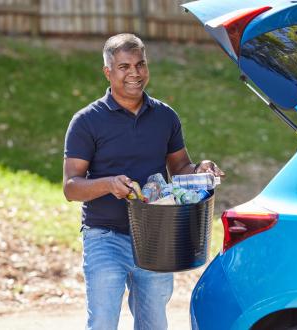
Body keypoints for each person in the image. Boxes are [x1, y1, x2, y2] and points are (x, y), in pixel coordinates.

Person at [62, 33, 224, 330]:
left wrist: (201, 169)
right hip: (104, 237)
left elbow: (180, 168)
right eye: (124, 67)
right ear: (107, 72)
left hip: (156, 239)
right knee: (102, 323)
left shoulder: (165, 117)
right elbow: (71, 186)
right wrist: (108, 184)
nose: (134, 73)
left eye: (140, 64)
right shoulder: (87, 121)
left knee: (153, 326)